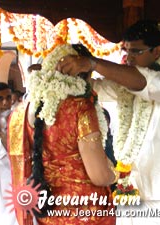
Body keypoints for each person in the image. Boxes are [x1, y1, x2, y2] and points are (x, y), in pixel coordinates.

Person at [56, 20, 160, 224]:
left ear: (157, 51)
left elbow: (145, 83)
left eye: (136, 51)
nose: (128, 58)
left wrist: (93, 63)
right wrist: (53, 76)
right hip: (127, 187)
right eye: (126, 51)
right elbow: (94, 88)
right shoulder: (124, 84)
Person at [8, 44, 116, 225]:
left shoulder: (20, 112)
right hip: (85, 212)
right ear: (84, 74)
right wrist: (115, 172)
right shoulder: (80, 107)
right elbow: (99, 175)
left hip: (47, 214)